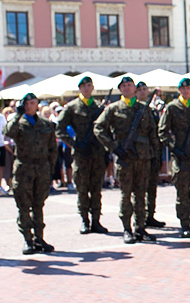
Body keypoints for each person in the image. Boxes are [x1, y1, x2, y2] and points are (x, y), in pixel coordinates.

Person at [93, 76, 160, 244]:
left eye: (130, 85)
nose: (128, 88)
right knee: (126, 195)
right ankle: (127, 229)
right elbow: (99, 128)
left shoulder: (143, 109)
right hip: (126, 158)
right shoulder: (113, 109)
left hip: (143, 158)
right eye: (124, 86)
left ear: (134, 89)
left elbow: (153, 133)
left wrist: (154, 155)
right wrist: (114, 147)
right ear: (120, 89)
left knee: (141, 195)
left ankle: (140, 228)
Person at [5, 93, 57, 254]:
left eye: (32, 103)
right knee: (23, 205)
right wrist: (18, 114)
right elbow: (8, 132)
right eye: (26, 103)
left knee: (38, 204)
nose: (29, 106)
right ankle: (28, 240)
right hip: (23, 168)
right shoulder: (18, 123)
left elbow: (52, 149)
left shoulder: (46, 124)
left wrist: (51, 169)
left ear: (37, 105)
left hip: (41, 168)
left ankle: (39, 238)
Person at [158, 78, 190, 238]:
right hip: (182, 157)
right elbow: (162, 132)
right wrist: (175, 148)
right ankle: (185, 225)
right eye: (184, 88)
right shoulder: (172, 107)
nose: (187, 90)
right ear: (179, 90)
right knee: (182, 193)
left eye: (189, 87)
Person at [57, 76, 108, 234]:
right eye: (84, 86)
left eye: (89, 85)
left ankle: (96, 221)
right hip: (81, 154)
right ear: (80, 88)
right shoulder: (72, 107)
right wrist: (74, 143)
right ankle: (85, 221)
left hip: (97, 153)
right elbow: (60, 128)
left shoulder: (99, 107)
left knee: (96, 188)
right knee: (82, 188)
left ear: (92, 87)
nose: (86, 88)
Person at [137, 82, 166, 229]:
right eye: (139, 90)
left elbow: (157, 134)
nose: (143, 92)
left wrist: (158, 154)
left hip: (152, 154)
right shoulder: (134, 110)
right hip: (137, 156)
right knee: (139, 190)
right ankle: (139, 218)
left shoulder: (152, 111)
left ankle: (150, 215)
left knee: (152, 187)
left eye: (144, 89)